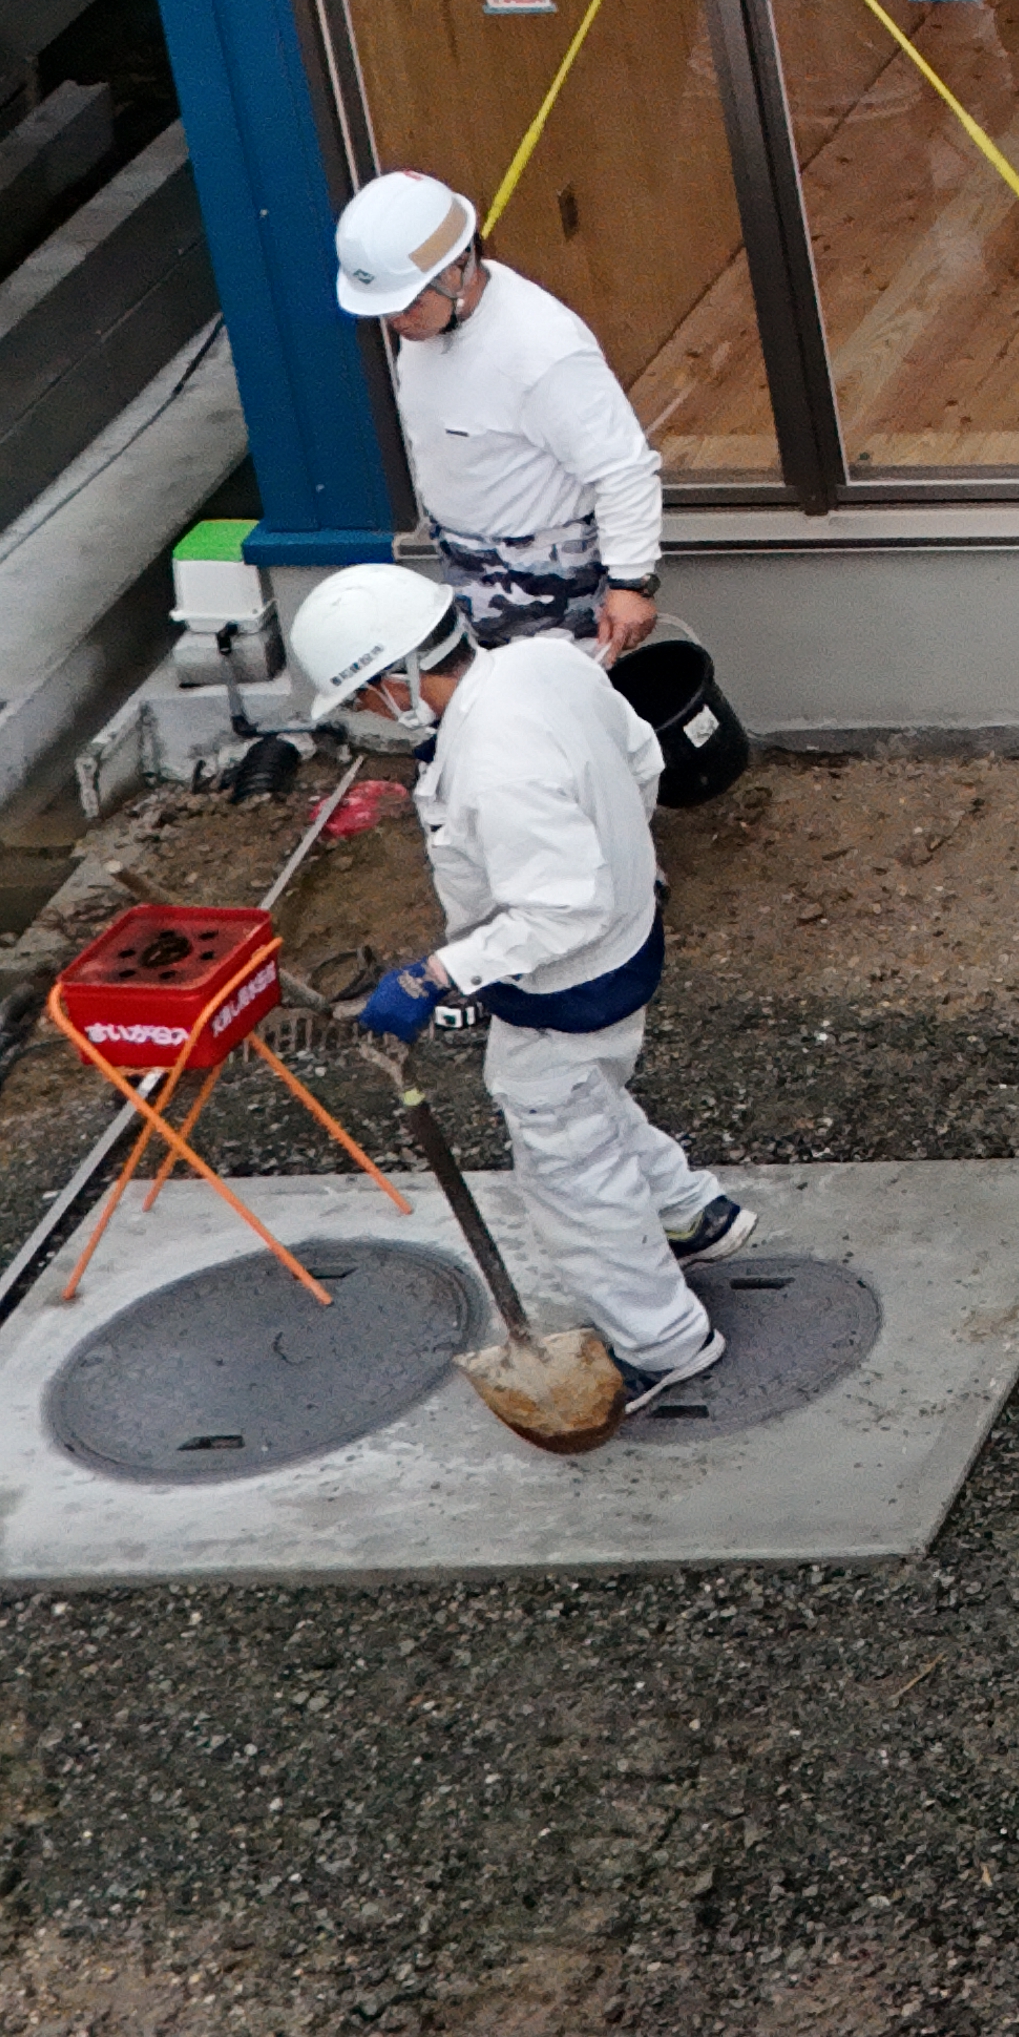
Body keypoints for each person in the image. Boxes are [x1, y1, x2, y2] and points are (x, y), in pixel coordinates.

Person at [292, 561, 747, 1412]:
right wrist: (619, 855)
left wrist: (436, 974)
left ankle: (664, 1341)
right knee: (588, 1089)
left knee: (566, 1161)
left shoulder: (496, 769)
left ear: (396, 680)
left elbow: (557, 912)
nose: (369, 717)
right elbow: (640, 756)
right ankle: (690, 1214)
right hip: (627, 933)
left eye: (364, 698)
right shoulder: (548, 662)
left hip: (568, 978)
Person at [333, 170, 655, 652]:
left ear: (456, 267)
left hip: (544, 573)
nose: (396, 322)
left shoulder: (542, 351)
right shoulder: (429, 325)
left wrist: (631, 583)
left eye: (407, 304)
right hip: (465, 554)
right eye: (383, 310)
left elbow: (624, 469)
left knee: (556, 714)